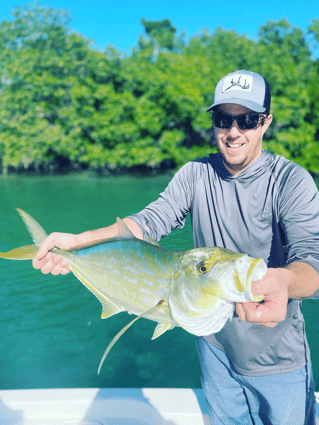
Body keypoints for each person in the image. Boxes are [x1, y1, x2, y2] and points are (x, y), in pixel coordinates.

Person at [33, 70, 319, 425]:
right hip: (214, 347)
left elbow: (312, 264)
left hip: (278, 360)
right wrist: (77, 242)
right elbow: (148, 222)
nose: (233, 132)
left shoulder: (291, 181)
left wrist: (284, 283)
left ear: (265, 123)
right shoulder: (194, 174)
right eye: (222, 119)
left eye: (246, 120)